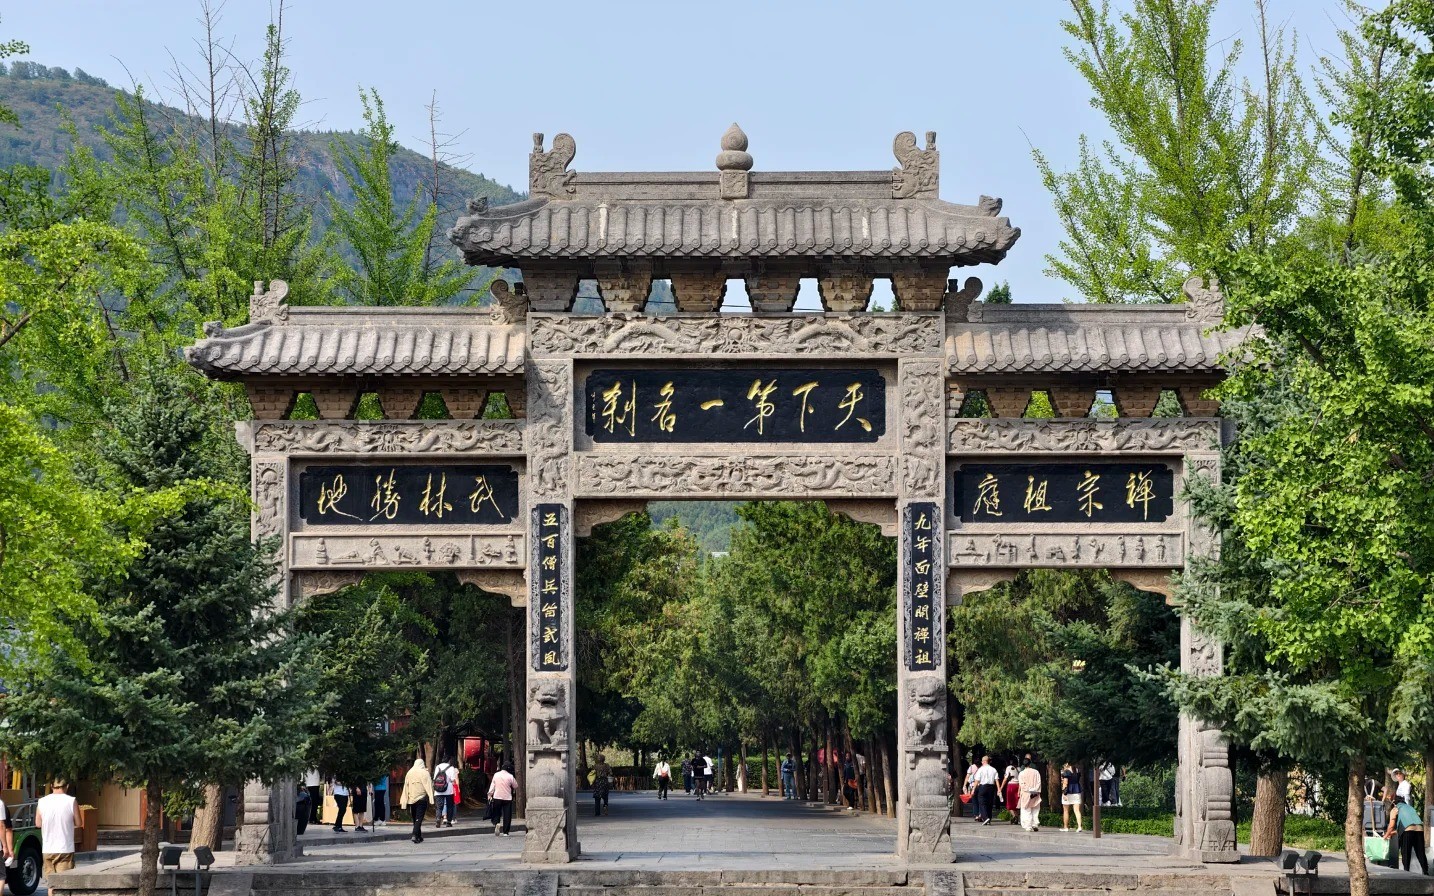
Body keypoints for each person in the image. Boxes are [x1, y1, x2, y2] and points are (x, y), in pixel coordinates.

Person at [36, 779, 77, 877]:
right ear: (67, 786)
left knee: (51, 882)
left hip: (48, 848)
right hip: (65, 848)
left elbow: (38, 824)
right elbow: (79, 823)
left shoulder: (42, 801)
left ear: (51, 786)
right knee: (63, 881)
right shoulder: (71, 801)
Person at [1385, 795, 1428, 875]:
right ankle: (1426, 872)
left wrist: (1385, 836)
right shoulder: (1410, 808)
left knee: (1406, 852)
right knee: (1420, 852)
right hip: (1419, 829)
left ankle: (1406, 872)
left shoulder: (1395, 808)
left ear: (1394, 803)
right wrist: (1392, 833)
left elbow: (1391, 825)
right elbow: (1406, 825)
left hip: (1407, 830)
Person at [400, 757, 435, 844]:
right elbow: (429, 786)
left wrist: (404, 800)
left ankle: (419, 836)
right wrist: (431, 798)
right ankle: (415, 835)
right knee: (419, 818)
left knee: (415, 818)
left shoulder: (409, 773)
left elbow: (406, 787)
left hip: (412, 799)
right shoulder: (424, 773)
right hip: (421, 798)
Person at [487, 762, 518, 837]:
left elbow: (492, 785)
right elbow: (515, 786)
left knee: (497, 812)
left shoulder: (496, 775)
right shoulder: (510, 776)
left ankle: (497, 823)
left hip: (497, 797)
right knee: (507, 815)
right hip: (507, 798)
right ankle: (505, 832)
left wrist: (489, 794)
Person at [973, 755, 1000, 825]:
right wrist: (999, 789)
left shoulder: (981, 769)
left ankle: (985, 817)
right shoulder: (993, 769)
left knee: (982, 802)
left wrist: (973, 789)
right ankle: (989, 818)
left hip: (983, 786)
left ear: (984, 761)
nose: (981, 762)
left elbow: (977, 780)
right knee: (990, 803)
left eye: (982, 761)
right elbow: (996, 780)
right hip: (991, 787)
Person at [1017, 760, 1043, 832]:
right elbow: (1039, 782)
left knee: (1026, 810)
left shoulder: (1021, 773)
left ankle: (1028, 826)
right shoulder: (1036, 772)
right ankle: (1035, 824)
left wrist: (1028, 789)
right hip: (1035, 793)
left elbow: (1022, 784)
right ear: (1030, 764)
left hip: (1026, 793)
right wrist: (1035, 789)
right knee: (1035, 809)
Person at [432, 757, 457, 828]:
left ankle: (438, 819)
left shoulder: (437, 767)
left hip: (438, 790)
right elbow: (453, 779)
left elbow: (434, 778)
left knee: (439, 806)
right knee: (449, 806)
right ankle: (448, 822)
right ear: (448, 761)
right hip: (449, 790)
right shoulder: (451, 768)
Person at [1060, 762, 1084, 833]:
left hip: (1068, 792)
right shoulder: (1076, 770)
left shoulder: (1066, 772)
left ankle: (1066, 827)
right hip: (1077, 791)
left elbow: (1065, 782)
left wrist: (1064, 793)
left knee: (1066, 810)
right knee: (1077, 810)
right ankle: (1079, 827)